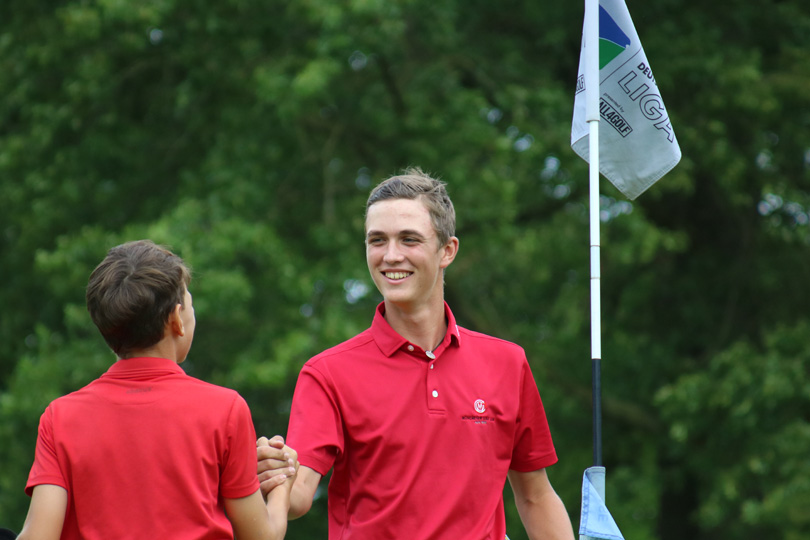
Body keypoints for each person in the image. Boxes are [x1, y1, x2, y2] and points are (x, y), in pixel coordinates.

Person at [258, 168, 575, 539]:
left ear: (447, 251)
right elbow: (297, 499)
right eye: (377, 240)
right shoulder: (327, 373)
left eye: (409, 239)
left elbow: (536, 496)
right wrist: (277, 472)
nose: (391, 256)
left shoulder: (507, 362)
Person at [18, 240, 295, 540]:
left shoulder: (59, 418)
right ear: (177, 319)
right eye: (190, 303)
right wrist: (281, 484)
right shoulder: (225, 409)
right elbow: (261, 537)